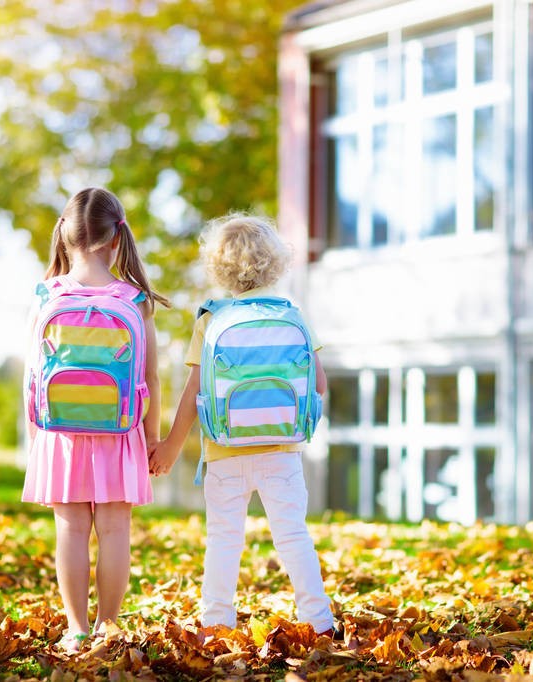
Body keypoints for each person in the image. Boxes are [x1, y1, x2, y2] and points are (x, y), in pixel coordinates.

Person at [150, 213, 338, 638]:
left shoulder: (211, 319)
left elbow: (194, 393)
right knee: (293, 538)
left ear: (218, 267)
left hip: (225, 453)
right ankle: (320, 622)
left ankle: (216, 624)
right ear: (275, 261)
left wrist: (170, 447)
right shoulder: (293, 314)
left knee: (224, 540)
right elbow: (319, 383)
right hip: (281, 452)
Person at [21, 187, 169, 653]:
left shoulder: (47, 294)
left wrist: (35, 440)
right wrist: (152, 438)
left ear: (64, 237)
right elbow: (151, 377)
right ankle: (107, 626)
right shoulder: (134, 298)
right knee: (114, 530)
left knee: (70, 529)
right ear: (115, 239)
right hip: (119, 430)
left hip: (60, 432)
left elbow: (32, 378)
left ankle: (76, 627)